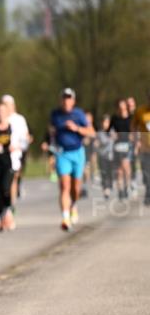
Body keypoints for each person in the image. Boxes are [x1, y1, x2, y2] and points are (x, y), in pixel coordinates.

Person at [49, 87, 95, 231]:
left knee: (76, 188)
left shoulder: (79, 114)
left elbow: (92, 132)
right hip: (62, 153)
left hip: (77, 152)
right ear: (61, 100)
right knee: (64, 186)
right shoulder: (55, 115)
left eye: (69, 98)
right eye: (64, 98)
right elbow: (51, 132)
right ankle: (65, 217)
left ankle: (73, 205)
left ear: (73, 100)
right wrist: (51, 149)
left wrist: (77, 129)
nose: (66, 101)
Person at [0, 98, 27, 232]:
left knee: (5, 188)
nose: (1, 114)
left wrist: (16, 147)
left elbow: (25, 142)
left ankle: (8, 212)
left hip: (10, 161)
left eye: (3, 111)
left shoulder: (15, 126)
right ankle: (2, 218)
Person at [109, 98, 134, 200]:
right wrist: (112, 134)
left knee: (126, 167)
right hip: (118, 145)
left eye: (123, 105)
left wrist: (134, 137)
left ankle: (127, 186)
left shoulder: (131, 118)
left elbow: (135, 129)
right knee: (119, 170)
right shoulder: (114, 118)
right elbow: (108, 130)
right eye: (119, 106)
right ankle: (120, 191)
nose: (121, 107)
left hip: (128, 144)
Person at [132, 91, 150, 205]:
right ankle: (148, 193)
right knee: (146, 173)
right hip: (145, 148)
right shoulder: (141, 111)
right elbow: (133, 126)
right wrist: (136, 140)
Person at [94, 114, 115, 199]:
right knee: (103, 173)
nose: (105, 124)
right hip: (102, 156)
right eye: (104, 122)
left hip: (112, 155)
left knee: (110, 173)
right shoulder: (99, 133)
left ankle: (109, 186)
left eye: (107, 122)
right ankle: (105, 189)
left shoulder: (113, 131)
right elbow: (99, 143)